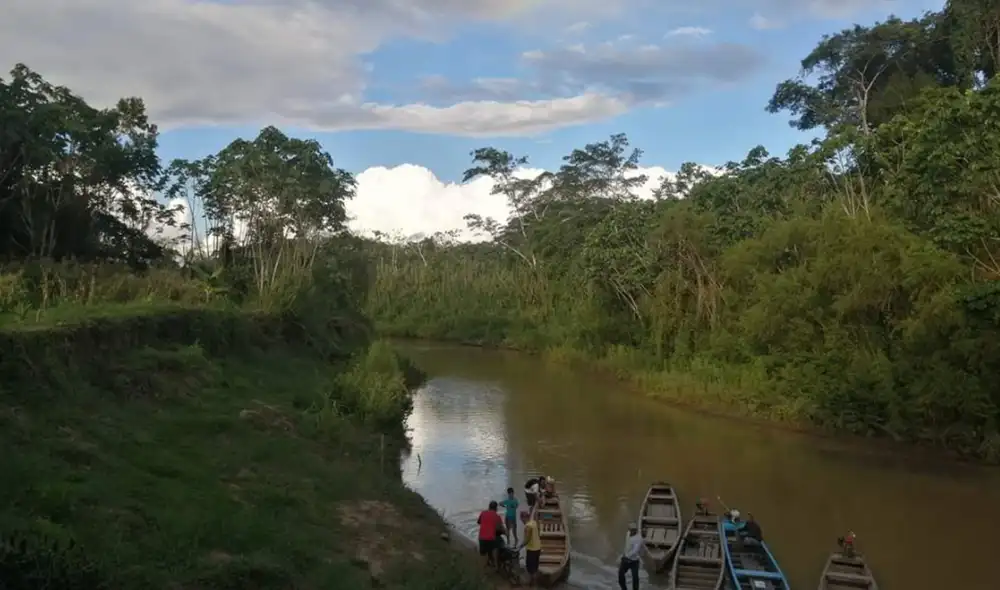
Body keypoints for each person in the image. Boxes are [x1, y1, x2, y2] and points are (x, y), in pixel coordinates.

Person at [477, 500, 505, 568]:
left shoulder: (483, 513)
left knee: (488, 545)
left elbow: (479, 522)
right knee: (499, 543)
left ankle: (489, 561)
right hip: (490, 540)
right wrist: (505, 533)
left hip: (481, 539)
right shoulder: (497, 516)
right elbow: (499, 528)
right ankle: (496, 564)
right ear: (496, 509)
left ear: (489, 507)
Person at [518, 509, 542, 586]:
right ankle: (533, 582)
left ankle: (533, 584)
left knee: (531, 569)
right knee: (535, 567)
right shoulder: (534, 523)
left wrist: (519, 546)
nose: (521, 521)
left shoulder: (528, 526)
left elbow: (527, 539)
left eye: (521, 519)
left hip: (532, 550)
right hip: (538, 548)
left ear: (524, 518)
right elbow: (538, 531)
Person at [618, 522, 642, 590]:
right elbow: (627, 546)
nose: (631, 531)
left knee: (635, 579)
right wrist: (623, 554)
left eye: (633, 530)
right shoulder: (627, 534)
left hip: (634, 562)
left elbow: (635, 550)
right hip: (625, 560)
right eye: (630, 530)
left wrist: (626, 555)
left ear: (636, 530)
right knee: (620, 576)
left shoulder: (638, 538)